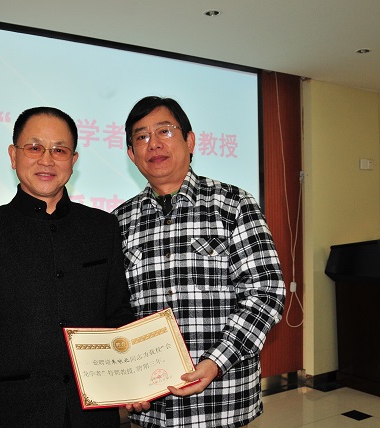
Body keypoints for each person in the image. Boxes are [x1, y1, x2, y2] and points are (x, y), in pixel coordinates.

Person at [0, 106, 135, 427]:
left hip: (93, 417)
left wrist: (134, 380)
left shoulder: (102, 228)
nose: (47, 160)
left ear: (73, 160)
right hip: (11, 416)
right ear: (13, 155)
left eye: (59, 150)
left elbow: (118, 316)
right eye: (34, 148)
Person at [113, 96, 286, 427]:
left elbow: (266, 292)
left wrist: (216, 361)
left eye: (164, 131)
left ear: (189, 141)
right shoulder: (118, 221)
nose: (154, 144)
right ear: (131, 154)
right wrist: (124, 377)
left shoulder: (233, 204)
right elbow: (116, 309)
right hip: (154, 408)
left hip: (222, 402)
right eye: (141, 136)